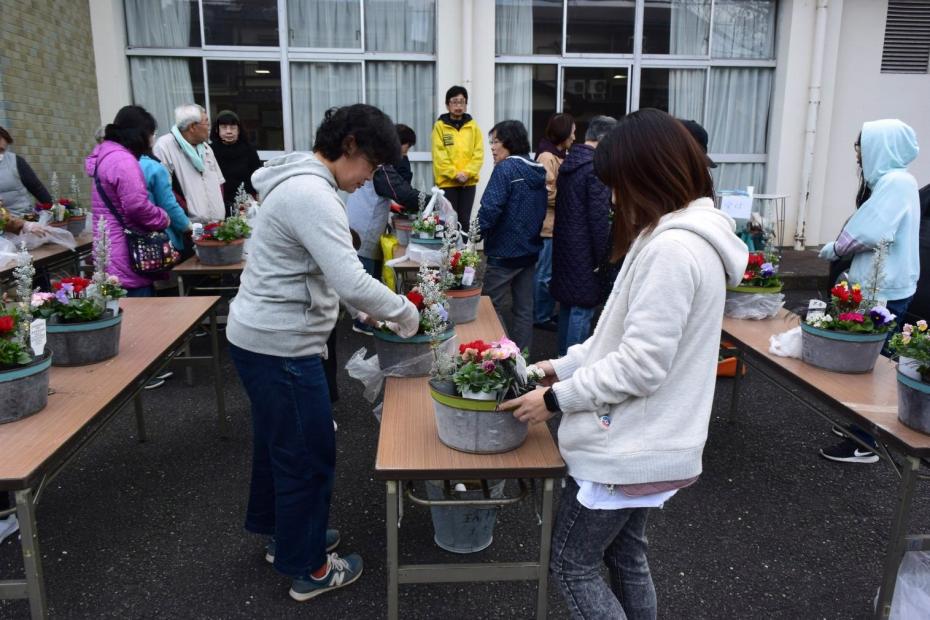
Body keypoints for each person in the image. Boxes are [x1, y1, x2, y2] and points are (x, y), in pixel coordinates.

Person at [499, 109, 748, 619]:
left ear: (649, 176)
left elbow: (639, 365)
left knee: (571, 565)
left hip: (630, 444)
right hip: (656, 439)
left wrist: (554, 399)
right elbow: (617, 340)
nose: (613, 200)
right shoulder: (678, 236)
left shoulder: (674, 249)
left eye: (618, 186)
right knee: (625, 554)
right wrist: (557, 367)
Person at [225, 104, 420, 603]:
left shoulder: (302, 183)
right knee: (308, 454)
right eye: (371, 167)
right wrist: (404, 312)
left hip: (261, 336)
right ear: (350, 145)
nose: (368, 179)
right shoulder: (314, 194)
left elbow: (314, 275)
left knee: (280, 445)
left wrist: (362, 314)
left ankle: (287, 539)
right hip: (281, 345)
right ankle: (310, 568)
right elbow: (352, 279)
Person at [818, 119, 920, 464]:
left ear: (881, 146)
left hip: (884, 290)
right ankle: (860, 426)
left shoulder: (895, 183)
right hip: (884, 285)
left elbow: (869, 231)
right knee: (871, 362)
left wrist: (837, 248)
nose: (857, 153)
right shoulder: (896, 182)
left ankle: (865, 441)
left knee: (873, 366)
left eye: (861, 145)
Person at [346, 124, 429, 334]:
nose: (404, 154)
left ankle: (364, 317)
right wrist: (432, 201)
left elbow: (381, 193)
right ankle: (362, 321)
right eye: (405, 148)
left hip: (360, 222)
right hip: (363, 227)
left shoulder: (375, 162)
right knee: (362, 274)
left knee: (366, 272)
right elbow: (403, 193)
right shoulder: (381, 168)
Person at [85, 105, 170, 298]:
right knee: (139, 319)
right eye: (150, 133)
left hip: (110, 250)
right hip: (127, 255)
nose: (151, 139)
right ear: (140, 133)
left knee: (117, 314)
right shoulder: (123, 161)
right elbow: (137, 206)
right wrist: (162, 218)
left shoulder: (106, 156)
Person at [550, 115, 617, 356]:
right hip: (585, 249)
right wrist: (604, 258)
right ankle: (570, 367)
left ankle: (560, 359)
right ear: (604, 139)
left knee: (568, 303)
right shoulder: (596, 168)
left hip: (566, 243)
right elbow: (599, 219)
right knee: (583, 307)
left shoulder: (570, 163)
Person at [479, 120, 547, 352]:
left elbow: (490, 207)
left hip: (503, 252)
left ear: (509, 142)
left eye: (496, 141)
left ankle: (504, 357)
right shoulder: (536, 169)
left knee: (490, 307)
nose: (492, 147)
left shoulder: (506, 169)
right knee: (524, 309)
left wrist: (476, 233)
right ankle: (522, 358)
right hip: (529, 251)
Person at [534, 113, 576, 332]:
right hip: (547, 227)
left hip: (557, 225)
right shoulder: (547, 157)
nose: (574, 137)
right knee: (544, 274)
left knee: (550, 273)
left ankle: (545, 313)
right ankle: (540, 316)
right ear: (563, 133)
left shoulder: (559, 154)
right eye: (573, 131)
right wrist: (572, 196)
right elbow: (547, 193)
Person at [153, 104, 225, 223]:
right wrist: (186, 215)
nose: (209, 128)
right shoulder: (164, 146)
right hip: (188, 226)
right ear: (192, 127)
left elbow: (219, 182)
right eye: (206, 123)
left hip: (215, 226)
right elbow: (165, 190)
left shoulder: (206, 148)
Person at [431, 86, 483, 231]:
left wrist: (466, 173)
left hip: (468, 182)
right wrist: (455, 174)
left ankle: (463, 253)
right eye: (455, 102)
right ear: (447, 104)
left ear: (466, 104)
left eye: (462, 102)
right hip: (448, 183)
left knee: (464, 221)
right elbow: (439, 155)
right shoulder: (440, 127)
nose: (458, 106)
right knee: (449, 222)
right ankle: (449, 253)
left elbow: (478, 154)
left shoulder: (473, 127)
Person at [210, 110, 262, 214]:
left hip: (245, 205)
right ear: (217, 130)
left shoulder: (249, 150)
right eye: (224, 127)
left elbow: (258, 177)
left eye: (233, 127)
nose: (229, 131)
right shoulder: (209, 151)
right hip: (218, 204)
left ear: (239, 130)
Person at [0, 126, 53, 217]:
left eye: (3, 150)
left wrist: (52, 209)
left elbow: (36, 187)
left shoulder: (16, 161)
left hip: (22, 218)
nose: (2, 154)